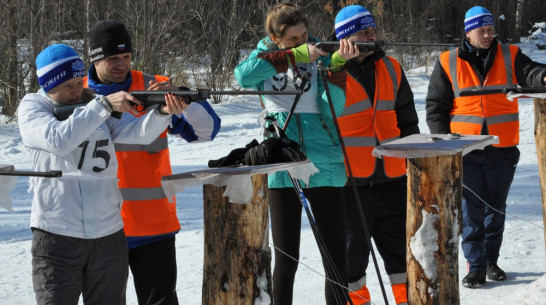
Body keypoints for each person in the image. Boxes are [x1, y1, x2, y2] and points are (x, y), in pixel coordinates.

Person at [18, 44, 187, 305]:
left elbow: (135, 134)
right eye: (68, 87)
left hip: (108, 234)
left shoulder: (91, 102)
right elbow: (58, 139)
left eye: (78, 82)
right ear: (48, 87)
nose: (77, 91)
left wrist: (163, 112)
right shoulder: (33, 107)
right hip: (58, 235)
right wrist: (103, 105)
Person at [84, 20, 221, 304]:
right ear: (95, 58)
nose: (122, 64)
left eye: (126, 57)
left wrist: (186, 101)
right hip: (99, 228)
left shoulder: (153, 87)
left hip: (152, 226)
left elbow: (206, 132)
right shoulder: (79, 93)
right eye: (112, 59)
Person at [234, 3, 358, 305]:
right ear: (276, 39)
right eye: (293, 39)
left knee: (336, 260)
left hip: (323, 160)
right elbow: (243, 76)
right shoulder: (263, 57)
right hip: (282, 161)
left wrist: (337, 67)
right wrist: (293, 56)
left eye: (304, 35)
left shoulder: (321, 55)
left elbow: (334, 107)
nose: (302, 41)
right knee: (286, 259)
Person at [426, 6, 546, 288]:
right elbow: (436, 107)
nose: (488, 34)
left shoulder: (510, 54)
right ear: (468, 31)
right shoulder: (447, 60)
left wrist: (542, 77)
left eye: (491, 29)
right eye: (482, 29)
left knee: (496, 207)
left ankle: (492, 261)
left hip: (502, 146)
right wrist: (444, 143)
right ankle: (475, 266)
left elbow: (530, 72)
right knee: (472, 210)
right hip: (465, 148)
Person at [333, 5, 419, 305]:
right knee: (351, 262)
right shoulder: (330, 72)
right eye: (364, 32)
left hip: (393, 179)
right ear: (345, 37)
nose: (372, 36)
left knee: (403, 258)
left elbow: (408, 120)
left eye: (372, 30)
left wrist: (414, 162)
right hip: (348, 184)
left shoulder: (392, 66)